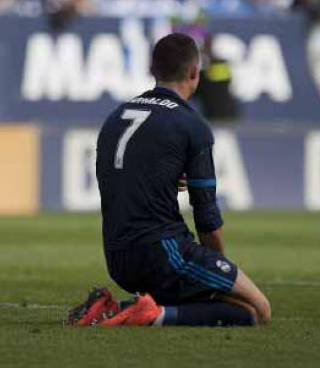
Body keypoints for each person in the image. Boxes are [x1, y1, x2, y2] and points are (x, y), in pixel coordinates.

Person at [66, 33, 271, 328]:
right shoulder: (192, 125)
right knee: (256, 310)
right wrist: (217, 269)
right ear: (193, 73)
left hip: (117, 257)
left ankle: (111, 308)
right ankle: (153, 315)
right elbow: (206, 216)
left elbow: (114, 179)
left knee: (223, 305)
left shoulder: (116, 116)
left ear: (152, 70)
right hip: (162, 254)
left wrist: (163, 179)